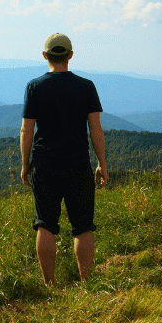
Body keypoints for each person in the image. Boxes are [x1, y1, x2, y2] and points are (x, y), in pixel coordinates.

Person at [20, 33, 107, 285]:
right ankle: (87, 282)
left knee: (45, 224)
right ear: (70, 55)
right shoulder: (86, 86)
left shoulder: (35, 86)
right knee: (83, 225)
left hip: (44, 163)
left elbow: (27, 130)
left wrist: (25, 164)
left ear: (45, 55)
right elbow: (96, 129)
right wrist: (101, 162)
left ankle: (49, 284)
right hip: (78, 163)